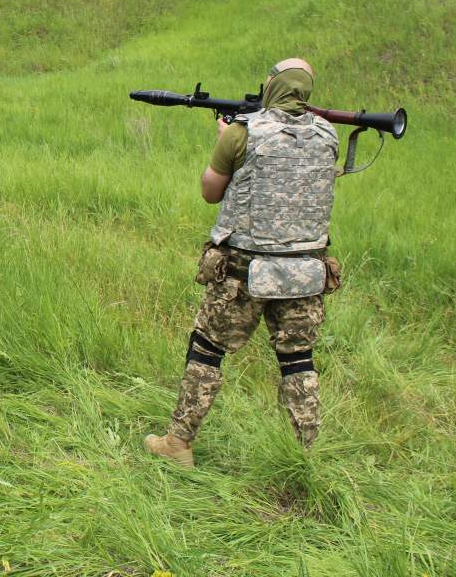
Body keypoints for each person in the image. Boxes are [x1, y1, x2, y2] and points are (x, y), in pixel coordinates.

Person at [144, 58, 341, 468]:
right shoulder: (328, 135)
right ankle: (307, 454)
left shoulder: (241, 133)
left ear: (271, 86)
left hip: (244, 270)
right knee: (297, 358)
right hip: (305, 271)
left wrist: (227, 139)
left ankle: (178, 443)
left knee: (207, 349)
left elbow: (211, 192)